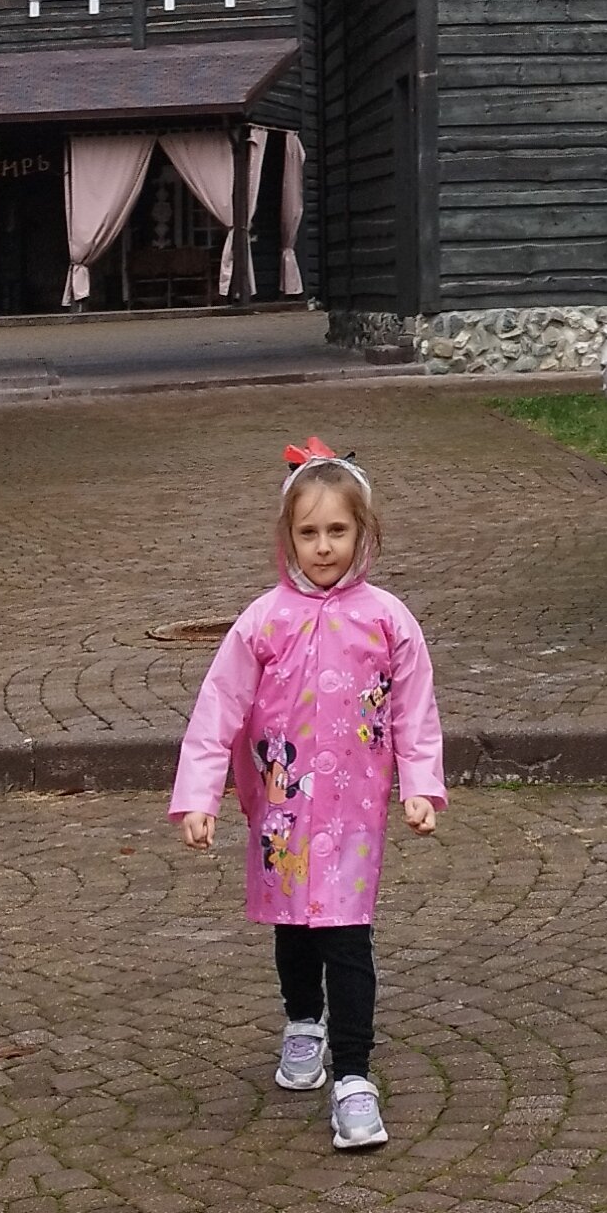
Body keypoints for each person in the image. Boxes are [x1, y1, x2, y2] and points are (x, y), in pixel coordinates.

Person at [171, 435, 445, 1151]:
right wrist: (199, 795)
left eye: (337, 530)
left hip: (355, 811)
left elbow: (414, 709)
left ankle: (354, 1074)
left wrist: (421, 785)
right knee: (293, 923)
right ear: (287, 537)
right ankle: (302, 1023)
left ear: (362, 534)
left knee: (348, 937)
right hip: (283, 809)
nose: (323, 546)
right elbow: (219, 707)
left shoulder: (388, 619)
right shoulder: (263, 621)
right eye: (309, 532)